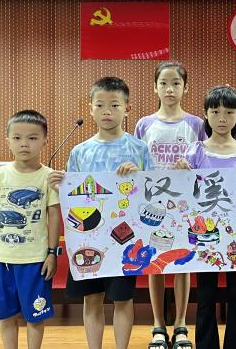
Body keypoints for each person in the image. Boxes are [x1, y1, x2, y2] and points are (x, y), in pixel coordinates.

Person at [49, 77, 154, 349]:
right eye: (100, 105)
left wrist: (140, 176)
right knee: (92, 298)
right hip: (89, 237)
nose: (107, 111)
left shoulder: (139, 149)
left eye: (114, 105)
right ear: (91, 109)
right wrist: (59, 184)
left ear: (127, 109)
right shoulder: (80, 151)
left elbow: (153, 192)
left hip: (125, 239)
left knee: (123, 299)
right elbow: (72, 195)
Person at [175, 85, 236, 349]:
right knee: (205, 295)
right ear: (206, 114)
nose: (222, 118)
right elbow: (182, 190)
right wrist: (179, 169)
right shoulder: (195, 151)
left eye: (229, 112)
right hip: (204, 236)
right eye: (215, 111)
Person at [135, 62, 206, 349]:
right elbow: (138, 163)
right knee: (154, 262)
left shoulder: (196, 124)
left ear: (185, 88)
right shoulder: (144, 124)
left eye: (176, 83)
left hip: (186, 205)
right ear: (155, 87)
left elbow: (205, 161)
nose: (169, 89)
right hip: (152, 204)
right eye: (163, 83)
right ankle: (158, 326)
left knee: (181, 263)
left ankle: (180, 325)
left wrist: (191, 168)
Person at [0, 110, 61, 349]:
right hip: (3, 259)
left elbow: (54, 215)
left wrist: (52, 253)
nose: (24, 143)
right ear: (8, 140)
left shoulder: (49, 177)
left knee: (35, 315)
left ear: (45, 140)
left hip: (35, 260)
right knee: (6, 316)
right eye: (17, 138)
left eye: (32, 138)